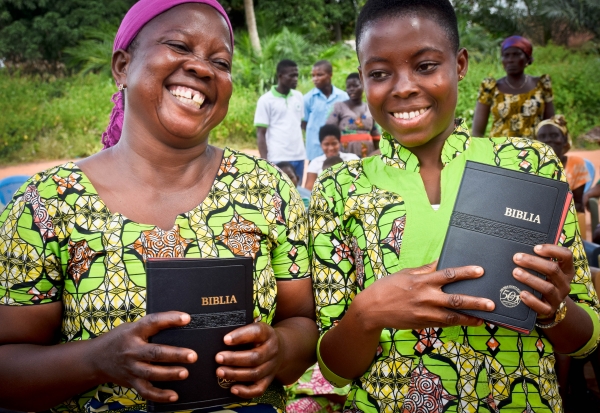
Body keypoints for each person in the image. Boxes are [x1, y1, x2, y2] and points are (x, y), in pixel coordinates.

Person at [0, 1, 318, 412]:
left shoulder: (267, 190)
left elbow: (304, 323)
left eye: (220, 62)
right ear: (122, 66)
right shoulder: (46, 204)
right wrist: (96, 360)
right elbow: (7, 367)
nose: (202, 68)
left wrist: (281, 349)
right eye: (179, 46)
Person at [309, 1, 600, 412]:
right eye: (379, 73)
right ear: (361, 79)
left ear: (460, 64)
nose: (404, 86)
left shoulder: (529, 163)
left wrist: (555, 308)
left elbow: (585, 337)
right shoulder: (339, 187)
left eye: (425, 66)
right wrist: (365, 314)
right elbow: (335, 369)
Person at [471, 35, 555, 139]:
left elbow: (550, 125)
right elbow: (477, 132)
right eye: (506, 55)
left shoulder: (541, 85)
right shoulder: (491, 87)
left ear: (527, 58)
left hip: (533, 151)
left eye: (516, 55)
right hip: (499, 151)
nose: (510, 60)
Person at [255, 59, 306, 183]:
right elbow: (261, 133)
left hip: (299, 156)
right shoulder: (266, 100)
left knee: (297, 195)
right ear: (280, 76)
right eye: (291, 75)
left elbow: (300, 125)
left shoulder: (298, 96)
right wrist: (265, 161)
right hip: (277, 157)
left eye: (297, 75)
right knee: (278, 195)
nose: (295, 79)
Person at [536, 115, 590, 213]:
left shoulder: (576, 165)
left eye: (554, 135)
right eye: (542, 136)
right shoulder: (530, 165)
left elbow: (578, 203)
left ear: (564, 140)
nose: (548, 140)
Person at [303, 60, 349, 161]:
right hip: (315, 149)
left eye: (319, 75)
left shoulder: (343, 97)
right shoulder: (308, 98)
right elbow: (304, 123)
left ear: (330, 75)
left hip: (337, 148)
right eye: (313, 75)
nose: (315, 79)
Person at [326, 73, 380, 158]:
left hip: (368, 153)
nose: (351, 89)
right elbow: (329, 131)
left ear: (363, 85)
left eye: (355, 86)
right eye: (348, 87)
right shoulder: (339, 107)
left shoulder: (370, 108)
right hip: (345, 153)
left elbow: (376, 134)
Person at [304, 125, 359, 191]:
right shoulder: (315, 162)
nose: (331, 148)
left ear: (339, 143)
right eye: (326, 144)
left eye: (334, 143)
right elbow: (309, 189)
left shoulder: (352, 159)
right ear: (321, 144)